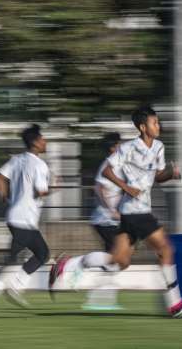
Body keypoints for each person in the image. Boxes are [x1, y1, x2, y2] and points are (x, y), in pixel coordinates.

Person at [50, 106, 182, 318]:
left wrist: (171, 173)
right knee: (166, 249)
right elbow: (106, 171)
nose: (158, 125)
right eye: (154, 122)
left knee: (119, 261)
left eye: (158, 122)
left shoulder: (158, 147)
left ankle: (68, 264)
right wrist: (127, 187)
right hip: (135, 211)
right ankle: (175, 303)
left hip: (136, 211)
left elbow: (157, 176)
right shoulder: (128, 148)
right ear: (142, 127)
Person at [0, 124, 51, 310]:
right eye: (43, 139)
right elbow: (40, 192)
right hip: (25, 218)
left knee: (41, 253)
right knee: (16, 257)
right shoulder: (40, 165)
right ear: (35, 142)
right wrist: (52, 187)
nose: (45, 142)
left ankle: (10, 287)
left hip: (16, 215)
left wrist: (6, 197)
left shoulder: (17, 159)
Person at [50, 132, 124, 310]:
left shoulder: (118, 164)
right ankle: (69, 264)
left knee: (114, 261)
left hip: (109, 219)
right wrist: (111, 210)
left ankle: (100, 299)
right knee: (118, 257)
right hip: (106, 220)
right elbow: (98, 188)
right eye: (120, 144)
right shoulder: (110, 164)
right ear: (114, 147)